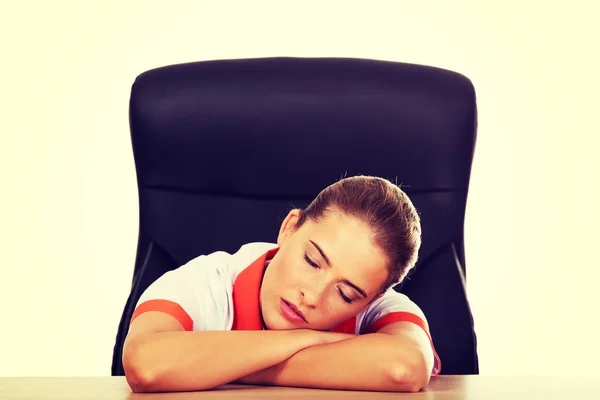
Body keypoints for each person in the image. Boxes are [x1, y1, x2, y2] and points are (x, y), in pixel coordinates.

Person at [122, 175, 441, 393]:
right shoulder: (205, 281)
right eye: (313, 261)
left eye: (345, 294)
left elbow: (405, 367)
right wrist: (314, 342)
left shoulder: (379, 305)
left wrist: (218, 365)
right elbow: (146, 365)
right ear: (289, 228)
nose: (313, 296)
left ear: (373, 298)